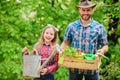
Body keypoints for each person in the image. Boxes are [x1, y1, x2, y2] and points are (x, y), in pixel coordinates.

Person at [60, 0, 108, 80]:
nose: (85, 13)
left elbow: (105, 45)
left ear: (92, 10)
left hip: (91, 67)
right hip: (74, 67)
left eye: (88, 10)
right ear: (79, 10)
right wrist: (61, 50)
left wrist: (102, 50)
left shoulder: (99, 27)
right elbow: (66, 42)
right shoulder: (71, 26)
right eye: (83, 10)